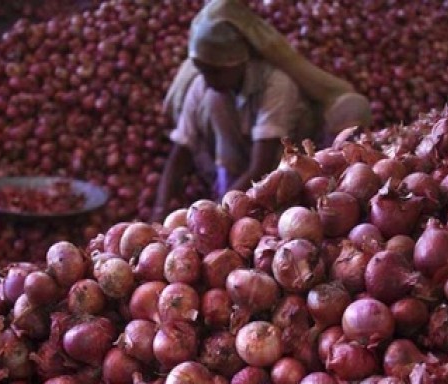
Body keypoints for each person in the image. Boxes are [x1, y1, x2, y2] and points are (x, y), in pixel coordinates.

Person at [153, 0, 372, 222]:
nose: (208, 80)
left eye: (215, 73)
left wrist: (219, 212)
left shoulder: (276, 83)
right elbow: (180, 151)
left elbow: (262, 164)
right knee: (214, 100)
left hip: (287, 173)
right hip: (241, 174)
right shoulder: (208, 86)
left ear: (238, 62)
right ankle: (228, 199)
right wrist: (160, 210)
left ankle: (329, 192)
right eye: (204, 72)